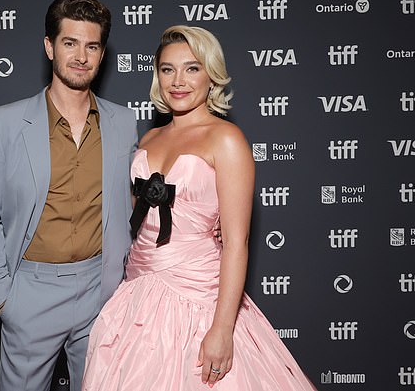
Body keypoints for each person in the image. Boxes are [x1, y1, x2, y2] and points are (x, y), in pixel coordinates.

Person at [82, 25, 317, 390]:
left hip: (199, 300)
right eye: (167, 69)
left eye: (192, 68)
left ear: (212, 75)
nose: (178, 80)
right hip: (136, 297)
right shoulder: (149, 138)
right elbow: (137, 218)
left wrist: (222, 329)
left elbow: (237, 243)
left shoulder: (226, 138)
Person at [0, 0, 138, 391]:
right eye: (70, 43)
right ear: (49, 46)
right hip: (31, 293)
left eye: (91, 46)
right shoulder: (6, 122)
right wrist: (4, 297)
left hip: (102, 291)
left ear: (102, 53)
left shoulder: (123, 122)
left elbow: (133, 203)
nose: (81, 56)